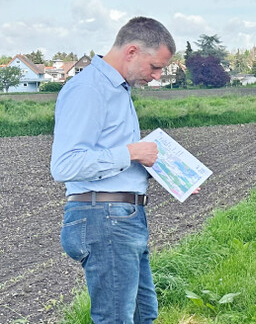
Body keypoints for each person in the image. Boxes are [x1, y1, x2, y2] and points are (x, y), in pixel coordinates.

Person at [51, 16, 175, 323]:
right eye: (155, 67)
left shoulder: (118, 90)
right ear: (132, 51)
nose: (157, 76)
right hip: (104, 218)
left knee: (143, 314)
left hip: (120, 217)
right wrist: (131, 152)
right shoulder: (89, 89)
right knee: (117, 319)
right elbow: (65, 164)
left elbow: (116, 161)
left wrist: (174, 177)